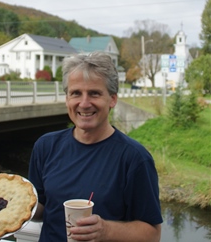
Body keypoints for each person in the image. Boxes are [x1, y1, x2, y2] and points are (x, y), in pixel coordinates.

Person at [28, 51, 163, 241]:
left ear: (112, 99)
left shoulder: (134, 158)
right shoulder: (46, 146)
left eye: (94, 93)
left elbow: (152, 234)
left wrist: (106, 230)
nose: (84, 103)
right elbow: (42, 208)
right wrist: (14, 207)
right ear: (67, 99)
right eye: (76, 93)